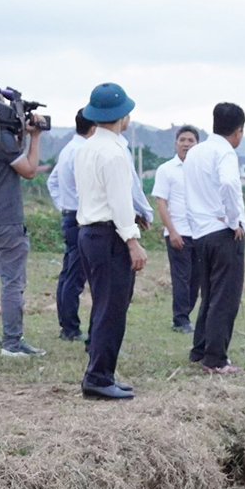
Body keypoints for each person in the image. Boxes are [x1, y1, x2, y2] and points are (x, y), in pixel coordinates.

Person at [47, 110, 155, 342]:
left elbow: (52, 182)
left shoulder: (75, 149)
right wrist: (136, 227)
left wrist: (65, 206)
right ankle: (85, 337)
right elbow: (122, 195)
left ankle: (74, 329)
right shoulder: (110, 151)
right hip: (102, 224)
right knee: (105, 292)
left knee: (74, 277)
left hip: (80, 219)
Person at [74, 83, 146, 400]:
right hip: (109, 235)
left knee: (102, 305)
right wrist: (132, 241)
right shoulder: (115, 152)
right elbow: (119, 202)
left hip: (88, 233)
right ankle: (99, 377)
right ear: (122, 115)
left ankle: (101, 371)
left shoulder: (86, 146)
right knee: (112, 308)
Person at [0, 95, 46, 356]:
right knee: (12, 282)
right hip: (6, 220)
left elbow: (9, 157)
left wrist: (19, 134)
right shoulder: (1, 139)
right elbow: (29, 170)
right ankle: (12, 344)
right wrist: (35, 137)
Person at [184, 103, 245, 374]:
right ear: (238, 130)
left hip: (199, 233)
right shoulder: (225, 152)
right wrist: (234, 221)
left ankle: (200, 350)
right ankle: (216, 359)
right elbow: (230, 184)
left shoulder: (195, 152)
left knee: (208, 294)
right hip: (223, 233)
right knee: (225, 297)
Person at [150, 125, 200, 333]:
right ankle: (180, 320)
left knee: (196, 279)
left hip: (199, 231)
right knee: (181, 277)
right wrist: (172, 231)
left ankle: (185, 315)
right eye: (183, 140)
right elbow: (161, 202)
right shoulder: (166, 170)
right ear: (176, 143)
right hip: (177, 231)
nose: (186, 144)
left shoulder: (201, 169)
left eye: (191, 140)